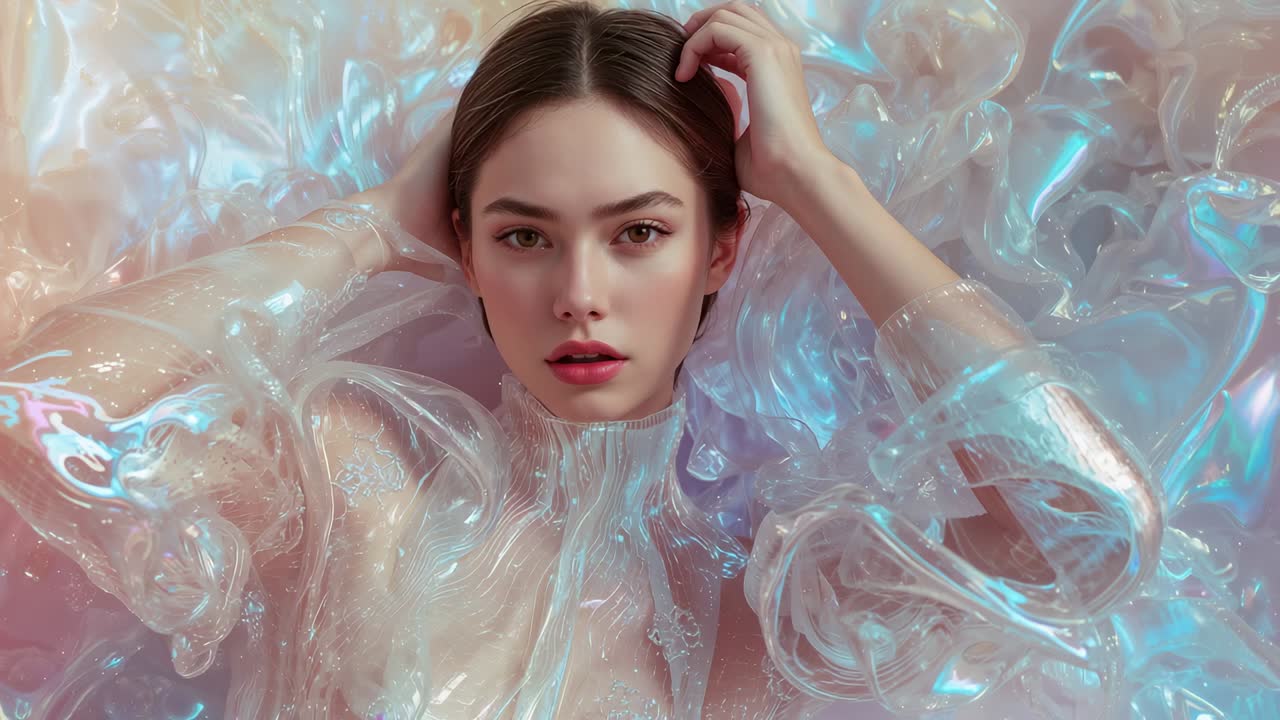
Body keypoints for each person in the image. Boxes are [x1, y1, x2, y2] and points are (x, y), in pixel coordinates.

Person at [0, 0, 1161, 717]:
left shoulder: (752, 606)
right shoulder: (345, 475)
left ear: (720, 249)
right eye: (522, 236)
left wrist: (818, 183)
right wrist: (370, 225)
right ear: (463, 248)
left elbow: (1092, 532)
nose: (579, 295)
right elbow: (35, 411)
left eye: (640, 232)